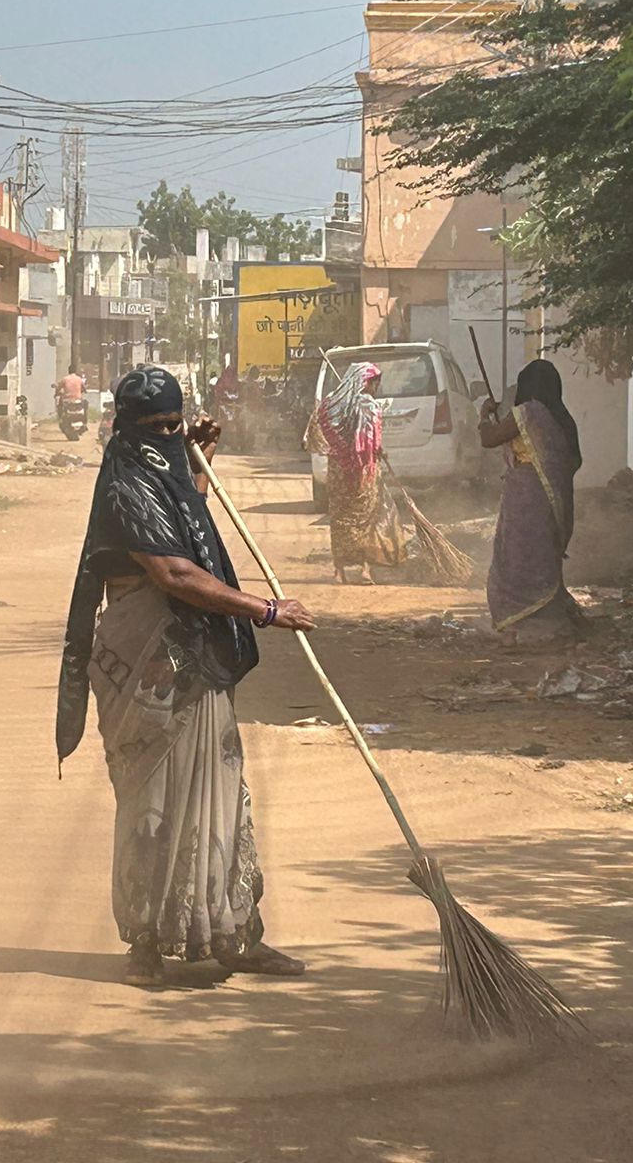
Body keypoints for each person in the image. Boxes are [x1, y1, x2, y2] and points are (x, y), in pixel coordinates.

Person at [57, 366, 315, 987]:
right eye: (156, 428)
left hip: (196, 657)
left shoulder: (164, 474)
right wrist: (267, 611)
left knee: (222, 794)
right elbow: (173, 573)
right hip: (147, 662)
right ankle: (145, 944)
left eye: (175, 424)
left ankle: (232, 932)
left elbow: (188, 522)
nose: (168, 435)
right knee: (150, 801)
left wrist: (198, 460)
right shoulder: (124, 486)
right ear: (125, 427)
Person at [478, 358, 585, 640]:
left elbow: (488, 439)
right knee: (540, 556)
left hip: (524, 500)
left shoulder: (528, 412)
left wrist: (484, 416)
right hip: (550, 501)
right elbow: (573, 462)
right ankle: (543, 620)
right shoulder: (560, 418)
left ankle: (519, 622)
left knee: (516, 559)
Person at [306, 362, 405, 584]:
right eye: (374, 382)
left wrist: (344, 450)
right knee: (366, 518)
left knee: (341, 517)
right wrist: (378, 453)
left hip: (339, 470)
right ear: (366, 382)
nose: (376, 387)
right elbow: (371, 443)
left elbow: (320, 427)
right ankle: (364, 569)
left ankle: (339, 569)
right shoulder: (370, 406)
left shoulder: (331, 404)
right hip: (364, 471)